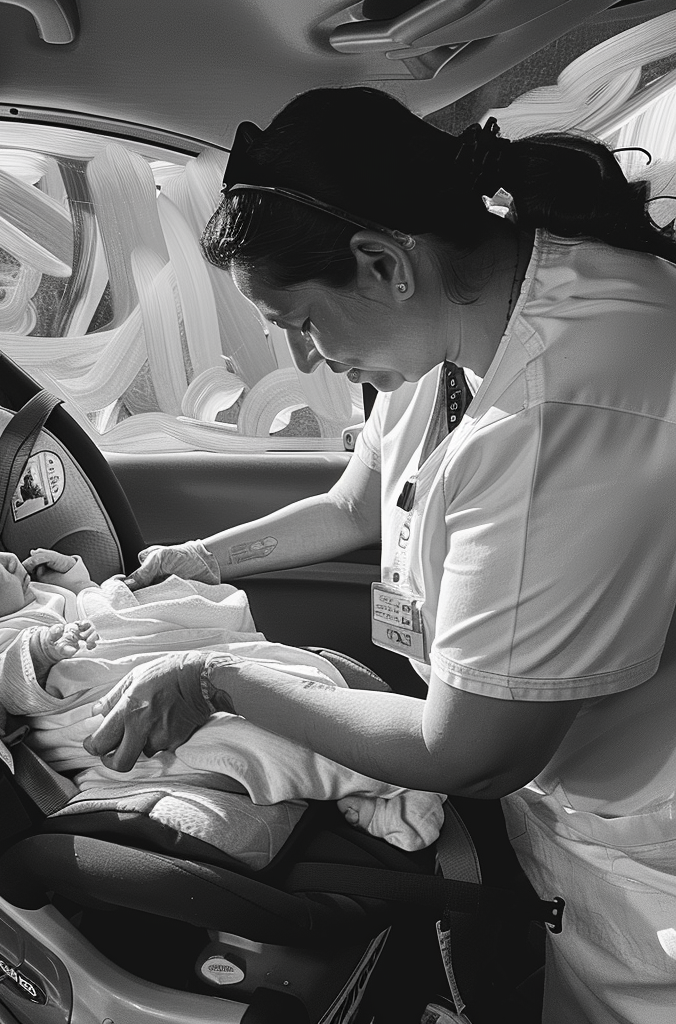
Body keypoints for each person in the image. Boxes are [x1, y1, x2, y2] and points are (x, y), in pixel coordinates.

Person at [81, 87, 676, 1023]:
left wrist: (218, 679)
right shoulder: (462, 317)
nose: (305, 359)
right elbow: (360, 501)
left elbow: (470, 753)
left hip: (649, 852)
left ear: (381, 263)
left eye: (301, 323)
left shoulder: (558, 413)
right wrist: (201, 557)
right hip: (578, 807)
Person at [0, 524, 446, 858]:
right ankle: (386, 771)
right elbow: (13, 683)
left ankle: (367, 786)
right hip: (130, 735)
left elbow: (92, 605)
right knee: (257, 746)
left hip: (146, 674)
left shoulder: (33, 601)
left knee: (279, 685)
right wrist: (46, 647)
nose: (6, 557)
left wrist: (76, 582)